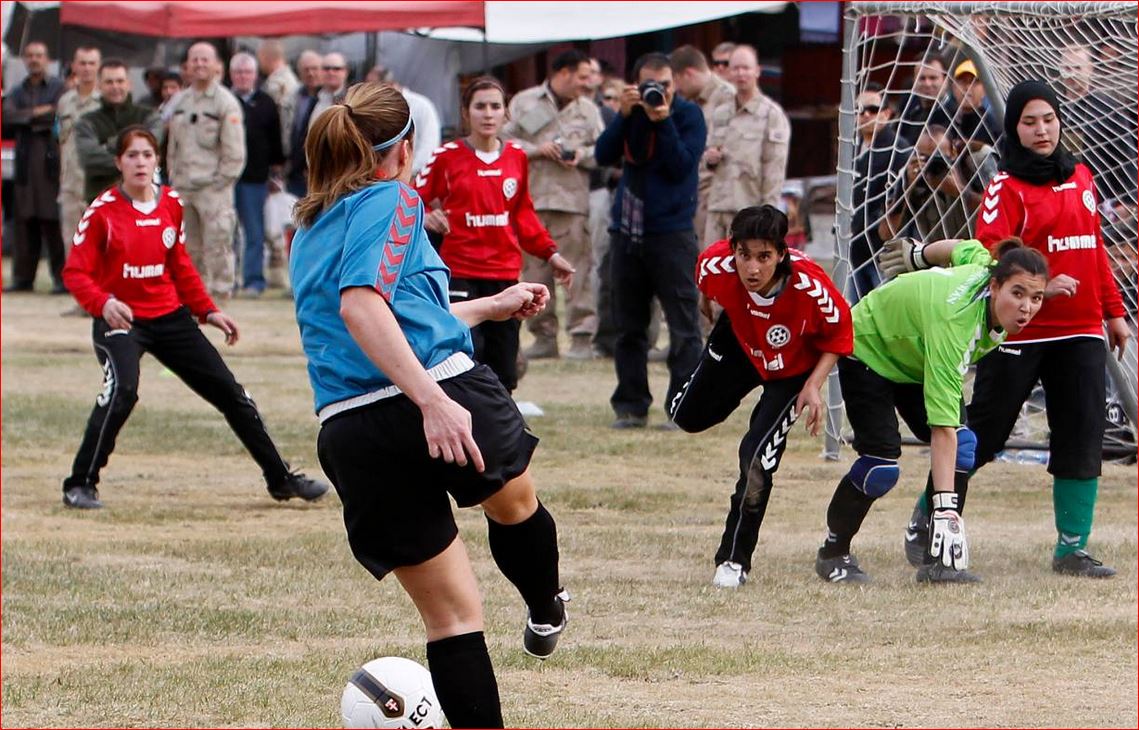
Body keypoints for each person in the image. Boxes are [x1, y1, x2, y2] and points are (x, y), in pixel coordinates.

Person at [289, 82, 569, 728]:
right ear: (403, 148)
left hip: (351, 429)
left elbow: (394, 314)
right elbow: (362, 307)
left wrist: (488, 307)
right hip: (436, 386)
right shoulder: (395, 197)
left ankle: (543, 608)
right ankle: (545, 604)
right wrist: (431, 400)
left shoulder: (307, 229)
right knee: (516, 505)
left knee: (451, 619)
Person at [903, 80, 1131, 578]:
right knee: (982, 436)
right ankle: (929, 514)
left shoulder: (1081, 178)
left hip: (1081, 330)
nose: (1041, 129)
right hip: (1019, 334)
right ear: (1014, 129)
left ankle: (1071, 549)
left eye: (1048, 118)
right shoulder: (1005, 187)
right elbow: (991, 259)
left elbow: (1093, 250)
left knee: (1081, 434)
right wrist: (1041, 290)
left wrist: (1113, 310)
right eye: (1029, 121)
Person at [58, 126, 327, 510]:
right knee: (122, 391)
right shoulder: (102, 212)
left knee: (232, 395)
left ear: (158, 161)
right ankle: (80, 484)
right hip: (122, 321)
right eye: (132, 155)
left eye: (147, 155)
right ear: (119, 163)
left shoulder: (171, 203)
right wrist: (103, 304)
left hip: (169, 317)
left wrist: (208, 309)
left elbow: (179, 264)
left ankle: (281, 479)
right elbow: (76, 273)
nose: (140, 162)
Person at [817, 235, 1050, 584]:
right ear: (995, 285)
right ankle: (833, 553)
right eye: (1017, 294)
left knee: (965, 447)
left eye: (1036, 298)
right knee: (881, 466)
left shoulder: (984, 266)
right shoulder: (956, 326)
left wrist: (917, 255)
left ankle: (935, 560)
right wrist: (946, 511)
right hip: (868, 347)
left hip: (914, 356)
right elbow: (943, 431)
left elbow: (962, 246)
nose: (1026, 307)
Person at [670, 205, 853, 588]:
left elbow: (839, 335)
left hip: (793, 371)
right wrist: (707, 300)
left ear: (781, 255)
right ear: (733, 250)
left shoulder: (811, 288)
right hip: (740, 343)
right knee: (685, 416)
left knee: (755, 459)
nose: (752, 268)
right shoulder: (716, 265)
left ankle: (734, 559)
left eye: (764, 257)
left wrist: (814, 385)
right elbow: (705, 277)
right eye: (745, 256)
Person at [415, 76, 574, 391]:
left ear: (506, 114)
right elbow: (410, 201)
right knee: (461, 360)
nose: (488, 114)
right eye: (480, 107)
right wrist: (427, 216)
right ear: (466, 113)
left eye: (495, 106)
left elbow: (522, 213)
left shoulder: (516, 156)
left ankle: (500, 431)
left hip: (503, 274)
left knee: (504, 366)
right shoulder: (446, 156)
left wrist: (550, 253)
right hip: (458, 273)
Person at [595, 52, 706, 429]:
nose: (658, 93)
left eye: (665, 86)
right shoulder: (630, 114)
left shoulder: (689, 116)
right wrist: (625, 117)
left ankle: (683, 407)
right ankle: (630, 405)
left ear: (676, 84)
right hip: (627, 231)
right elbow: (603, 155)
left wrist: (663, 122)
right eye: (649, 87)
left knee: (684, 325)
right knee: (628, 325)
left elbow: (680, 166)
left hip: (672, 233)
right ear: (635, 86)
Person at [504, 49, 604, 361]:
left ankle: (581, 336)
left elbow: (602, 149)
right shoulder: (525, 101)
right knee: (534, 273)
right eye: (582, 77)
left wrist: (581, 155)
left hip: (571, 202)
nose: (587, 84)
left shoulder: (588, 110)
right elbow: (504, 141)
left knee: (578, 271)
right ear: (563, 74)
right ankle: (544, 336)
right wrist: (536, 150)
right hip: (530, 202)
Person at [166, 42, 246, 298]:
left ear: (216, 66)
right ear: (187, 65)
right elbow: (172, 146)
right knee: (189, 247)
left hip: (213, 188)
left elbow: (234, 151)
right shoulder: (180, 101)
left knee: (218, 243)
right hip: (184, 186)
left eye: (205, 60)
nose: (199, 64)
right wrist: (173, 177)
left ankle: (221, 292)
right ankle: (194, 295)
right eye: (194, 60)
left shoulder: (225, 102)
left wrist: (222, 182)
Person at [703, 44, 791, 247]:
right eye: (735, 68)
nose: (740, 73)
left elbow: (774, 171)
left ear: (757, 71)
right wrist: (710, 159)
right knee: (712, 272)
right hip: (716, 209)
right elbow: (707, 161)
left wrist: (768, 219)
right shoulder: (720, 112)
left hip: (749, 212)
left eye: (746, 68)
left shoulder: (771, 115)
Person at [2, 41, 67, 294]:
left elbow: (57, 114)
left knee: (53, 223)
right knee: (23, 223)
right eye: (30, 55)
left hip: (51, 164)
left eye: (39, 55)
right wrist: (36, 114)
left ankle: (61, 279)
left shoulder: (58, 88)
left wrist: (27, 116)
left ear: (47, 59)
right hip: (25, 165)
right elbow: (7, 116)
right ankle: (22, 278)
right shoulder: (17, 90)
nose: (34, 59)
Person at [228, 52, 284, 298]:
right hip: (226, 177)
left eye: (247, 72)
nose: (243, 77)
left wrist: (276, 171)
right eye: (238, 72)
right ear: (231, 75)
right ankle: (227, 280)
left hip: (255, 178)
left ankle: (253, 280)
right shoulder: (224, 100)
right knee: (226, 232)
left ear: (255, 75)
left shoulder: (267, 103)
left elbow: (275, 140)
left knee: (254, 232)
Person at [668, 44, 735, 245]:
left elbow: (726, 149)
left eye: (676, 81)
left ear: (688, 74)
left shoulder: (727, 97)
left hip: (715, 195)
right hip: (692, 193)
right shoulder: (689, 102)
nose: (676, 89)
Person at [848, 83, 908, 302]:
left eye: (871, 109)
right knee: (856, 313)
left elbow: (898, 201)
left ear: (886, 113)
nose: (864, 115)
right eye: (859, 110)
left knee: (884, 309)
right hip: (854, 247)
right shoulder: (851, 147)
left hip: (881, 250)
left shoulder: (898, 149)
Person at [75, 59, 161, 204]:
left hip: (143, 201)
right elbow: (89, 159)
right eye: (109, 82)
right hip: (100, 200)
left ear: (129, 84)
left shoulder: (149, 116)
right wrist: (132, 151)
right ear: (99, 86)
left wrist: (107, 145)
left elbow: (151, 150)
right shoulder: (86, 121)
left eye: (120, 81)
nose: (115, 87)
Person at [56, 45, 102, 251]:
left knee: (101, 244)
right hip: (70, 186)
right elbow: (60, 141)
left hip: (97, 186)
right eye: (82, 63)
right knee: (71, 243)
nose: (86, 68)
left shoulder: (107, 103)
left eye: (91, 63)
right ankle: (74, 285)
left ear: (99, 67)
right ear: (74, 66)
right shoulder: (65, 102)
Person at [366, 65, 442, 178]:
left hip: (415, 178)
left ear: (389, 85)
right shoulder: (375, 108)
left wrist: (407, 174)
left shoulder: (422, 106)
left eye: (374, 90)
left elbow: (429, 146)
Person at [284, 50, 323, 198]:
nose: (311, 73)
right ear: (300, 72)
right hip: (295, 170)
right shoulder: (294, 97)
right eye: (306, 70)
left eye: (315, 69)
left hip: (318, 172)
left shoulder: (330, 99)